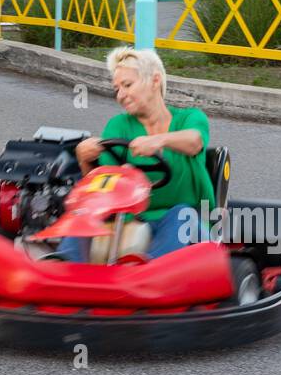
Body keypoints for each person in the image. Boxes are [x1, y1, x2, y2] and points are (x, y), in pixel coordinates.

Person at [61, 48, 215, 261]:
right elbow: (102, 186)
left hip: (186, 223)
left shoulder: (189, 118)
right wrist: (83, 159)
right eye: (116, 89)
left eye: (127, 85)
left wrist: (159, 140)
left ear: (155, 80)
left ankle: (148, 270)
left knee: (182, 213)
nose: (120, 95)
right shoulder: (118, 125)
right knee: (87, 211)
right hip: (130, 220)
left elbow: (195, 142)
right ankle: (64, 263)